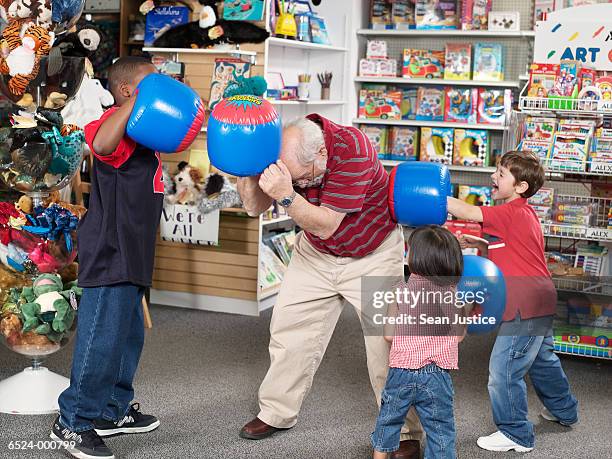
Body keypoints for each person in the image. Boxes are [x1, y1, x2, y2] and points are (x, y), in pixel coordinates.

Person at [238, 115, 423, 458]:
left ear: (322, 151)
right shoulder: (281, 153)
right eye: (296, 180)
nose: (303, 183)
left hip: (373, 252)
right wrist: (249, 168)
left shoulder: (353, 149)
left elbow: (325, 225)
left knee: (388, 346)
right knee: (288, 331)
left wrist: (287, 194)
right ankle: (277, 412)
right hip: (317, 255)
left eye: (306, 178)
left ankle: (406, 431)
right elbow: (253, 208)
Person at [51, 57, 164, 459]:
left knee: (127, 336)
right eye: (152, 85)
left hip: (135, 251)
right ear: (128, 91)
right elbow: (99, 144)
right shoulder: (113, 124)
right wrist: (131, 107)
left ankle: (111, 410)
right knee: (102, 336)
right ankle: (74, 420)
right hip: (111, 249)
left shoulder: (146, 131)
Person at [447, 151, 578, 453]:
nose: (494, 176)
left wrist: (435, 196)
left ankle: (516, 433)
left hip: (524, 304)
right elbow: (514, 249)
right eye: (496, 170)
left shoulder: (508, 212)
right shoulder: (524, 213)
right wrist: (482, 244)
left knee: (504, 369)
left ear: (520, 187)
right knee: (543, 361)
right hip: (541, 297)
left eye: (501, 173)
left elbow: (466, 211)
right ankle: (564, 410)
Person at [371, 225, 464, 459]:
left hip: (400, 372)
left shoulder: (400, 291)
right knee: (440, 429)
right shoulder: (452, 295)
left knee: (388, 422)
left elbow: (389, 335)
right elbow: (458, 336)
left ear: (415, 258)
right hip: (436, 374)